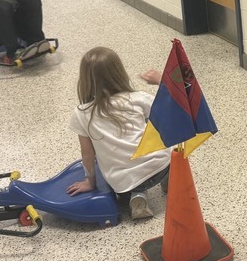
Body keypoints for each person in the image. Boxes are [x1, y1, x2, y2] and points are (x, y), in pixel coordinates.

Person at [65, 47, 170, 220]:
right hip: (160, 166)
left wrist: (90, 182)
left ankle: (137, 196)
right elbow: (170, 108)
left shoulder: (81, 113)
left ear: (85, 80)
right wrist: (161, 81)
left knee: (123, 183)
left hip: (124, 180)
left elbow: (87, 153)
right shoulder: (137, 98)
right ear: (119, 72)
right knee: (166, 141)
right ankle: (169, 180)